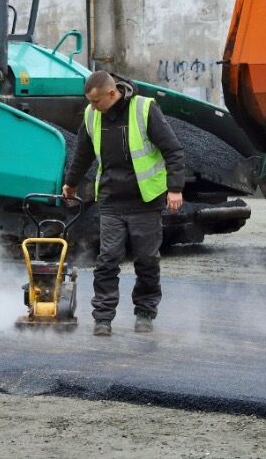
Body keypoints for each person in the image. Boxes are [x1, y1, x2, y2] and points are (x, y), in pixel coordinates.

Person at [62, 71, 185, 337]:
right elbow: (82, 152)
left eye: (96, 102)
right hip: (110, 200)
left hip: (145, 200)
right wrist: (71, 183)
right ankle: (103, 318)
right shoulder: (92, 114)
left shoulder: (144, 109)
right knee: (107, 260)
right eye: (90, 102)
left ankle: (144, 313)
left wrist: (175, 188)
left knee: (146, 261)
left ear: (112, 93)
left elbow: (172, 150)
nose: (93, 107)